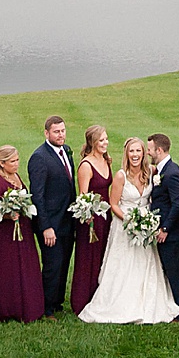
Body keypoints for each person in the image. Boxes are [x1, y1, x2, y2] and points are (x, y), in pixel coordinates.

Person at [79, 137, 179, 323]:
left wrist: (146, 221)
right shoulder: (120, 175)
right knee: (124, 265)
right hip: (124, 223)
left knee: (145, 262)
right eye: (131, 151)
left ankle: (147, 302)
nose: (135, 155)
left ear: (143, 153)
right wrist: (130, 221)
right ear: (126, 154)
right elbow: (114, 204)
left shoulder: (152, 172)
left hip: (146, 223)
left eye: (138, 151)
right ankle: (119, 303)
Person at [0, 146, 46, 322]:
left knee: (25, 265)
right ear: (2, 163)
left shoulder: (15, 176)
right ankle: (7, 308)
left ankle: (28, 305)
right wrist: (7, 215)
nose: (17, 164)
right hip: (3, 235)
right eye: (13, 161)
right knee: (7, 270)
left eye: (17, 160)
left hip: (21, 229)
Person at [28, 116, 78, 314]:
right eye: (56, 132)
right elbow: (37, 196)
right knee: (52, 265)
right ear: (46, 133)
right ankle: (46, 307)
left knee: (64, 262)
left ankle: (57, 302)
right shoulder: (39, 157)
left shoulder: (66, 151)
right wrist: (46, 226)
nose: (61, 135)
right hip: (50, 223)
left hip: (67, 220)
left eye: (63, 131)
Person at [69, 125, 113, 315]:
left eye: (106, 139)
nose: (105, 143)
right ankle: (81, 299)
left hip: (107, 215)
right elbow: (83, 196)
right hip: (91, 219)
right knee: (89, 258)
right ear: (92, 142)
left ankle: (100, 296)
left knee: (104, 256)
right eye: (101, 140)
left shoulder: (106, 160)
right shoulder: (86, 166)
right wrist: (88, 218)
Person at [148, 133, 179, 311]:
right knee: (167, 269)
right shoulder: (161, 170)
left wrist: (165, 228)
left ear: (159, 150)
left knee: (175, 271)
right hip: (164, 230)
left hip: (172, 234)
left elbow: (178, 205)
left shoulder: (172, 173)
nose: (148, 153)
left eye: (150, 149)